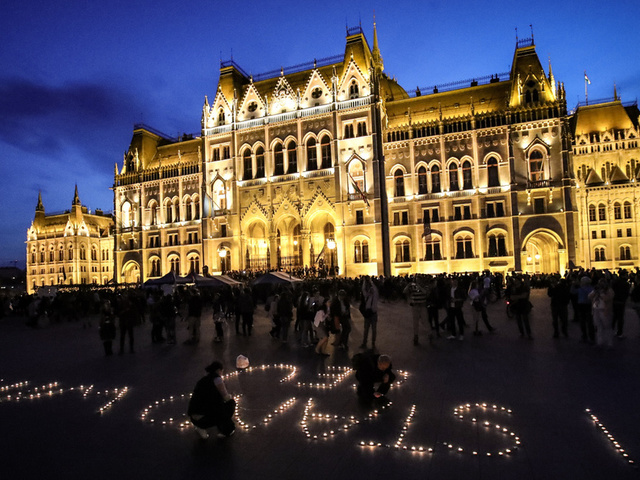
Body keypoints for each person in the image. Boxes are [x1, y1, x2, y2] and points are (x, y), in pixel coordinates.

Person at [187, 361, 236, 440]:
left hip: (194, 417)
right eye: (222, 371)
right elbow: (226, 397)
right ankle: (227, 430)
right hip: (206, 417)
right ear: (219, 370)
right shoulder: (217, 379)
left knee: (218, 406)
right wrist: (231, 397)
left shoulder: (203, 380)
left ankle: (200, 427)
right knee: (230, 404)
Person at [589, 278, 615, 348]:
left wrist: (601, 293)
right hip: (596, 309)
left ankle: (610, 342)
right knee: (598, 326)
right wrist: (595, 292)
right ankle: (599, 341)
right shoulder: (596, 290)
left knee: (607, 326)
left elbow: (607, 298)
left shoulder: (609, 290)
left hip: (604, 309)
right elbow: (589, 296)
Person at [403, 278, 428, 345]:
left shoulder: (425, 286)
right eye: (416, 280)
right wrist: (408, 286)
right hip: (415, 306)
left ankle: (429, 333)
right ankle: (416, 336)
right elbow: (404, 291)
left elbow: (425, 292)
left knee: (425, 321)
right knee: (415, 322)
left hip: (422, 306)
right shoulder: (412, 287)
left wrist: (419, 286)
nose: (417, 282)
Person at [360, 277, 379, 350]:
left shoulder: (375, 295)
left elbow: (375, 289)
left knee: (374, 330)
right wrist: (365, 281)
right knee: (366, 329)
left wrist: (371, 282)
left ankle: (373, 343)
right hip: (368, 314)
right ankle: (364, 342)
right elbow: (363, 289)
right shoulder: (366, 295)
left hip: (373, 313)